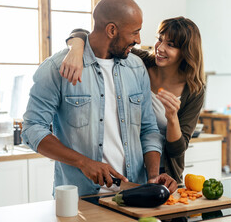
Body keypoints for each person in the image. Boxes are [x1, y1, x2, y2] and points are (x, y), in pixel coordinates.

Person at [22, 0, 178, 197]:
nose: (138, 40)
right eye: (135, 32)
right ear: (112, 30)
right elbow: (32, 129)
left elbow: (148, 129)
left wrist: (152, 176)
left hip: (135, 195)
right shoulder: (55, 69)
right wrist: (84, 163)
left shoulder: (136, 67)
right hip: (81, 197)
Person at [60, 16, 205, 184]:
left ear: (186, 52)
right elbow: (93, 36)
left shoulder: (194, 90)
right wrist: (76, 50)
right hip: (129, 166)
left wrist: (172, 118)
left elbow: (177, 149)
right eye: (160, 39)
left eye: (170, 45)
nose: (160, 48)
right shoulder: (138, 62)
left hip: (164, 174)